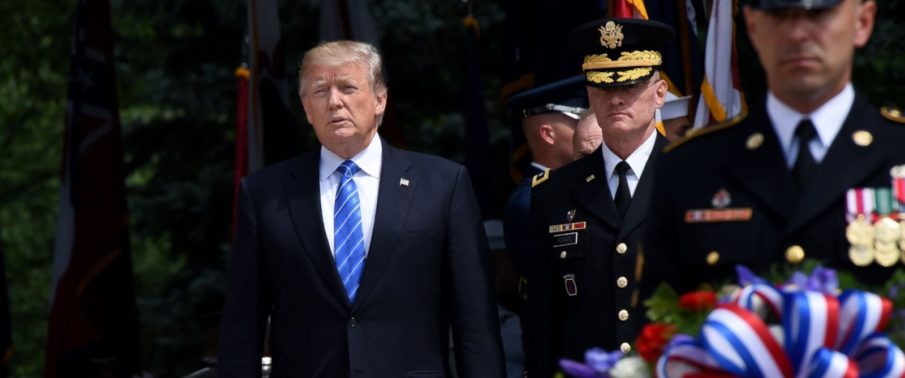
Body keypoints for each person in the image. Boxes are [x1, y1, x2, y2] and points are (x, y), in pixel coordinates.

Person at [218, 40, 505, 377]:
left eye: (348, 88)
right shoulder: (265, 194)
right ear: (307, 109)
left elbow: (474, 318)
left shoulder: (442, 185)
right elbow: (243, 323)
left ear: (380, 100)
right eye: (320, 91)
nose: (335, 102)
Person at [642, 0, 905, 298]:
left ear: (862, 22)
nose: (797, 34)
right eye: (779, 14)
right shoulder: (689, 168)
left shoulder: (898, 153)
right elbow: (657, 328)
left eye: (819, 13)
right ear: (752, 27)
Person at [525, 18, 673, 377]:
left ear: (659, 93)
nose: (617, 97)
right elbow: (542, 319)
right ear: (590, 96)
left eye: (632, 83)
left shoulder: (692, 176)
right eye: (604, 87)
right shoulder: (554, 193)